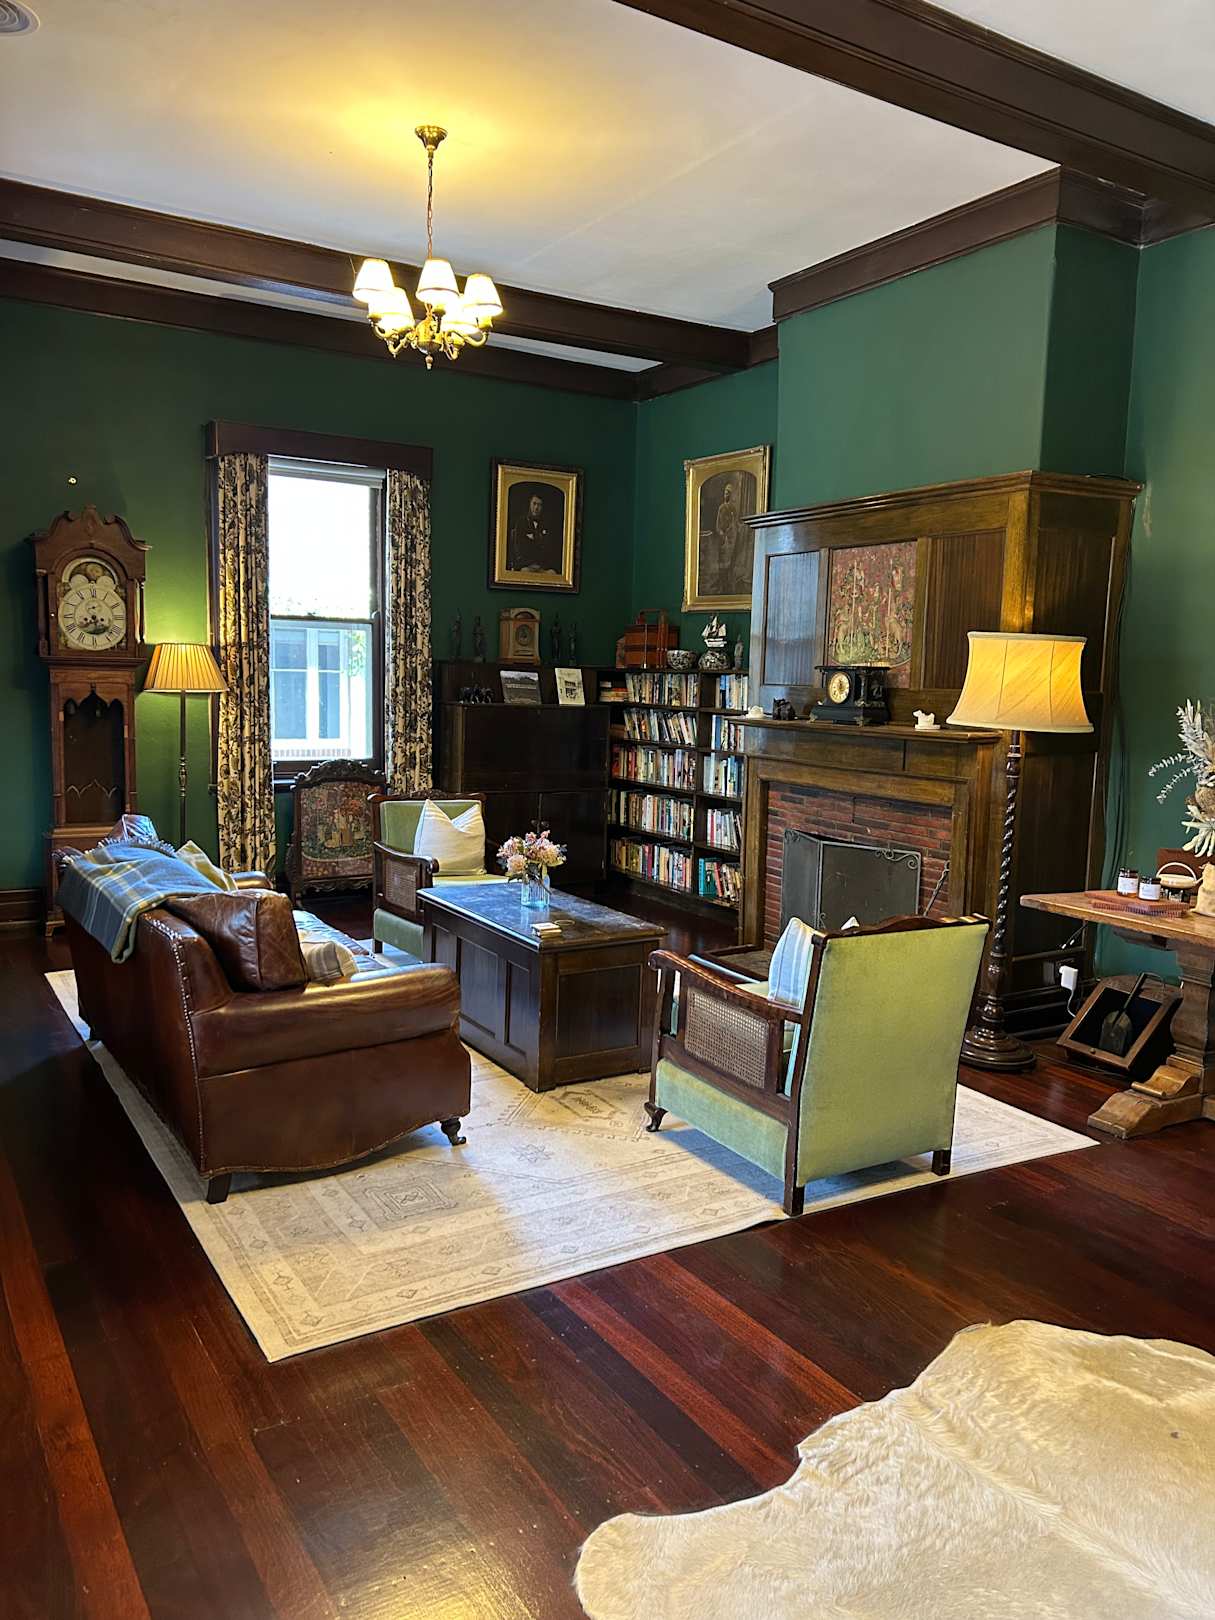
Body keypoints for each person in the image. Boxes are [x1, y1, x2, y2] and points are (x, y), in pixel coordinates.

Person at [508, 488, 561, 573]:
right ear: (530, 504)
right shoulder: (521, 523)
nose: (536, 507)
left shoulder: (547, 524)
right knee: (526, 572)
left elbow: (549, 549)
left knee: (552, 573)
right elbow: (520, 548)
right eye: (534, 504)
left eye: (539, 505)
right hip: (526, 565)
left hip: (543, 566)